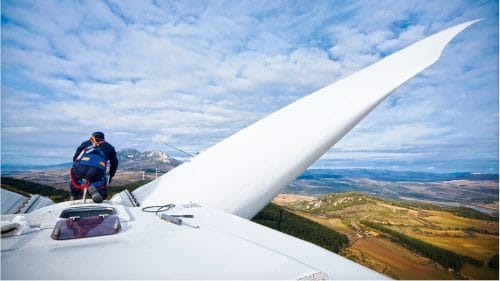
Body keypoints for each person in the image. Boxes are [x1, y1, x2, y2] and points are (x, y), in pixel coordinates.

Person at [69, 132, 118, 203]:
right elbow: (114, 163)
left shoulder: (85, 143)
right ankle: (98, 192)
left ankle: (74, 195)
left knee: (76, 179)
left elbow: (75, 158)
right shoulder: (109, 147)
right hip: (96, 171)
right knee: (99, 183)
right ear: (103, 138)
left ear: (92, 136)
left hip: (80, 169)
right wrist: (110, 175)